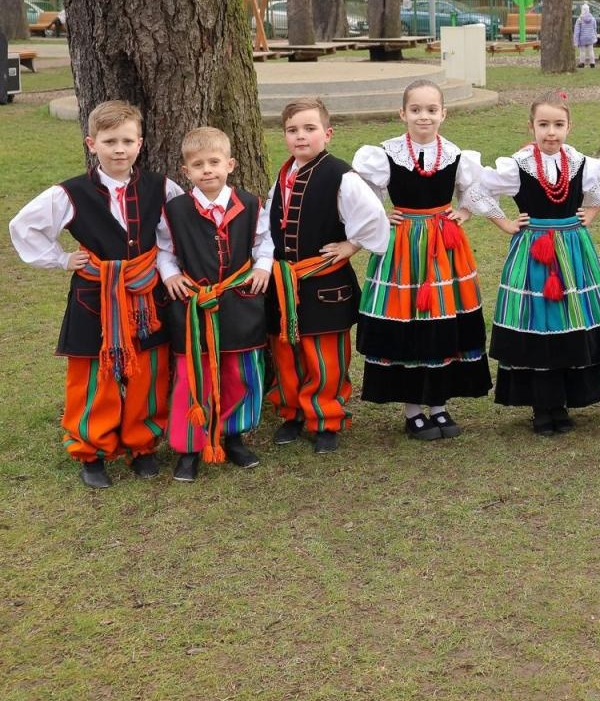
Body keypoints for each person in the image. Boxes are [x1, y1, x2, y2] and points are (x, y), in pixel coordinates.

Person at [10, 99, 184, 488]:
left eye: (126, 140)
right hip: (94, 296)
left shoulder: (162, 187)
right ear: (92, 144)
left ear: (140, 143)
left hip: (146, 295)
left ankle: (143, 444)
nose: (118, 149)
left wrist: (168, 266)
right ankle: (92, 449)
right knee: (93, 373)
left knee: (148, 371)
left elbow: (177, 231)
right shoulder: (70, 193)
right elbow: (24, 226)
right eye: (109, 141)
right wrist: (59, 259)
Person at [353, 80, 493, 440]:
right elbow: (362, 194)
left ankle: (439, 405)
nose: (424, 116)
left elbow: (475, 190)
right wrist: (382, 216)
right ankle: (413, 408)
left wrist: (464, 211)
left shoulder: (456, 155)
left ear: (443, 114)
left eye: (432, 110)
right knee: (410, 318)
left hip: (445, 247)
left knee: (444, 319)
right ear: (403, 113)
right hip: (404, 249)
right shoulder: (386, 154)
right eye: (416, 110)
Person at [474, 91, 600, 434]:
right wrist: (506, 223)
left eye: (558, 124)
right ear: (531, 126)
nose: (551, 132)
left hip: (573, 249)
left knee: (569, 317)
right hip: (534, 249)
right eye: (544, 124)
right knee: (540, 320)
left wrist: (590, 214)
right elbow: (479, 189)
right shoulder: (518, 165)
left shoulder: (581, 163)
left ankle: (564, 402)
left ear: (569, 126)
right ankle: (540, 404)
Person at [264, 98, 389, 454]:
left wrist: (350, 246)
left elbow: (373, 218)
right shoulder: (284, 174)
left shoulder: (340, 175)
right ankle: (291, 413)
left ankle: (326, 419)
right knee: (287, 352)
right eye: (292, 130)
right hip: (284, 284)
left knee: (324, 355)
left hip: (324, 284)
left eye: (309, 128)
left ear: (327, 133)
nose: (300, 136)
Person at [156, 127, 274, 482]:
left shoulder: (250, 204)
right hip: (192, 303)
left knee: (241, 372)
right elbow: (163, 249)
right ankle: (189, 448)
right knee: (194, 376)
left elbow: (264, 242)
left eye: (214, 162)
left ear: (230, 164)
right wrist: (169, 275)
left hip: (239, 301)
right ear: (185, 171)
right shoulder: (174, 210)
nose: (207, 170)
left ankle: (234, 437)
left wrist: (263, 267)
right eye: (198, 165)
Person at [574, 3, 599, 69]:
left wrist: (575, 41)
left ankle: (582, 63)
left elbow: (577, 31)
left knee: (582, 51)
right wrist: (595, 37)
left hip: (582, 38)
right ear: (588, 10)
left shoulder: (579, 20)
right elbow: (595, 28)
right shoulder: (593, 19)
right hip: (590, 38)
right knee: (591, 50)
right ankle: (592, 63)